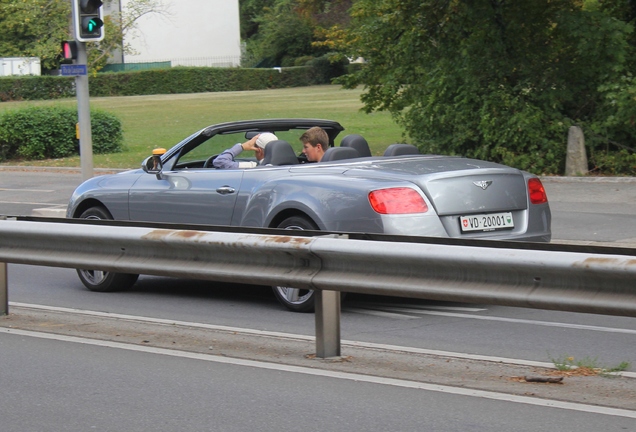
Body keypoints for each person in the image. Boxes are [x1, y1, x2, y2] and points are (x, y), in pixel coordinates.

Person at [213, 132, 278, 169]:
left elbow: (219, 162)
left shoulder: (253, 167)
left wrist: (242, 146)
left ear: (259, 151)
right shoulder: (287, 165)